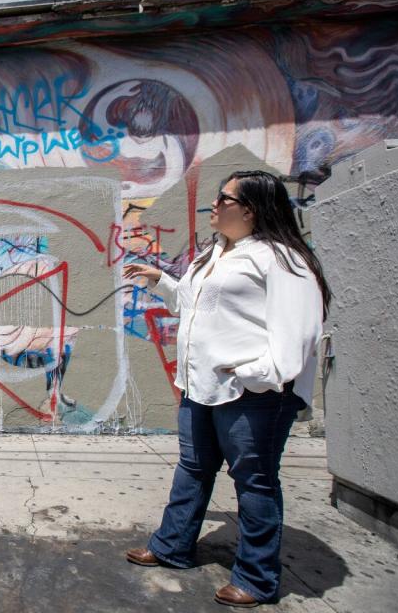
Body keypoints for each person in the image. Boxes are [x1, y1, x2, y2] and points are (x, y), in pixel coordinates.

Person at [121, 170, 331, 608]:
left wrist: (252, 374)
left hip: (255, 394)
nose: (214, 205)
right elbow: (198, 306)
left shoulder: (280, 259)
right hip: (202, 386)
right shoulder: (214, 252)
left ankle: (257, 578)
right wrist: (161, 281)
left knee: (254, 482)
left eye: (224, 198)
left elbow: (299, 333)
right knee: (193, 468)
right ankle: (171, 547)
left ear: (251, 209)